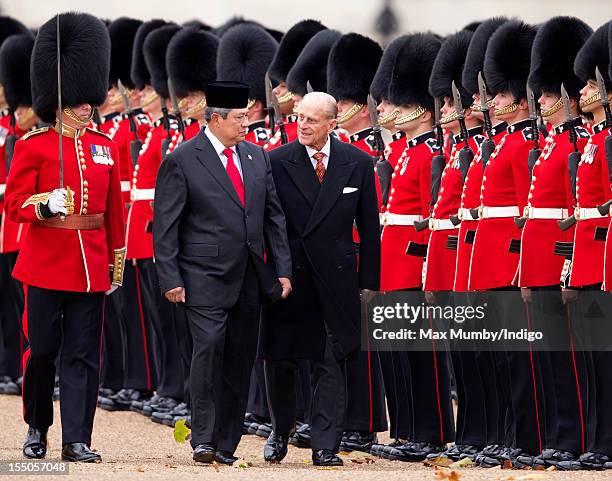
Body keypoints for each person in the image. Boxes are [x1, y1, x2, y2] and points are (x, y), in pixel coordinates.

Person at [5, 12, 125, 462]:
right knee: (42, 353)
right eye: (77, 100)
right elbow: (13, 203)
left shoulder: (105, 145)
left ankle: (77, 438)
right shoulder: (33, 144)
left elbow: (114, 211)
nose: (87, 106)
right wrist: (45, 204)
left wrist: (115, 266)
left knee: (83, 356)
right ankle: (37, 426)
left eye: (88, 100)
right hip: (45, 263)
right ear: (59, 99)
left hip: (91, 266)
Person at [153, 80, 292, 466]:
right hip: (202, 276)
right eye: (238, 118)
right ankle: (203, 437)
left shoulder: (256, 157)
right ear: (215, 120)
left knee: (239, 358)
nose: (246, 124)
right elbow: (166, 226)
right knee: (208, 351)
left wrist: (282, 271)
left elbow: (272, 218)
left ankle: (227, 441)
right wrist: (171, 279)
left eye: (247, 116)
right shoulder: (182, 158)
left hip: (249, 277)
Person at [260, 91, 381, 467]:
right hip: (291, 276)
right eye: (300, 117)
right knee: (283, 361)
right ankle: (281, 428)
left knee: (332, 360)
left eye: (312, 119)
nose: (303, 125)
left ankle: (326, 444)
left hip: (337, 277)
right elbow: (267, 222)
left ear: (332, 123)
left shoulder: (358, 162)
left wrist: (369, 281)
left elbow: (369, 225)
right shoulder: (277, 160)